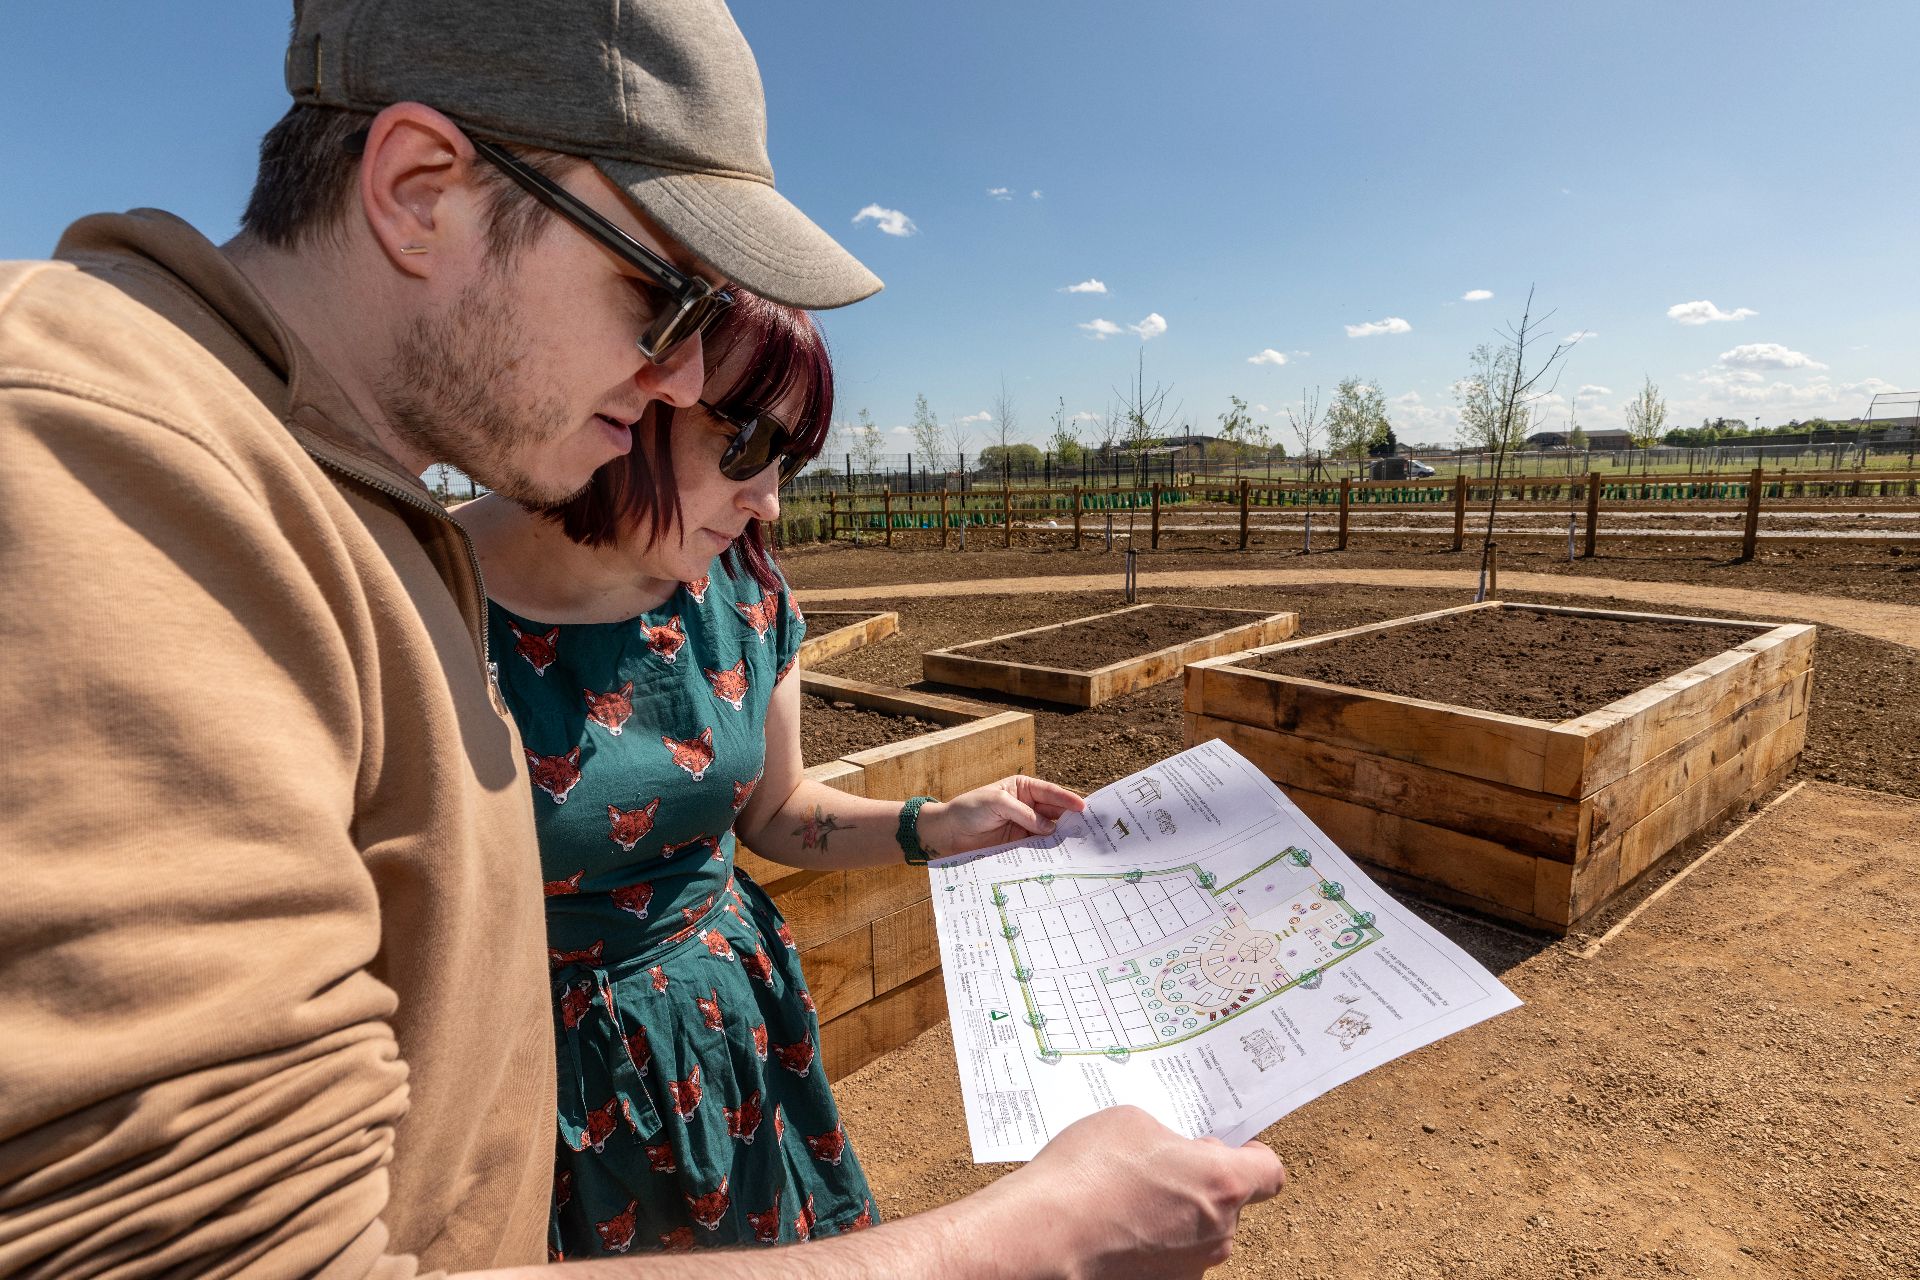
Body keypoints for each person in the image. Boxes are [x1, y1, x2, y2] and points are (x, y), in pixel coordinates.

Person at [0, 1, 1286, 1277]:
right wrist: (1023, 1242)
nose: (681, 378)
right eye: (660, 295)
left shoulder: (345, 507)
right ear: (417, 190)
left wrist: (927, 826)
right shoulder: (98, 470)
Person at [458, 291, 1087, 1257]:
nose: (771, 501)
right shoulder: (422, 597)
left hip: (730, 1047)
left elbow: (777, 810)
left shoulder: (745, 589)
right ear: (633, 393)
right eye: (746, 445)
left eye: (789, 461)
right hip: (526, 1086)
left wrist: (937, 822)